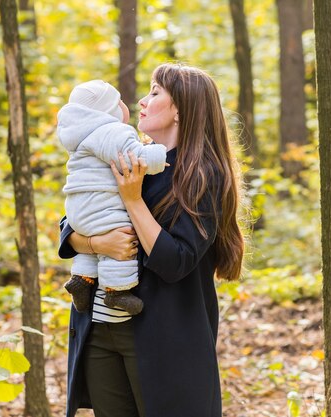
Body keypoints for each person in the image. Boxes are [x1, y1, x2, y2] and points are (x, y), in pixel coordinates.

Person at [58, 63, 245, 417]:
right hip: (99, 327)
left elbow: (176, 261)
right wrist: (99, 245)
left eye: (156, 92)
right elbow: (71, 225)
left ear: (180, 109)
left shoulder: (202, 175)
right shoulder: (128, 156)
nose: (142, 101)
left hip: (163, 337)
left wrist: (132, 199)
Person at [58, 80, 168, 315]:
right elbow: (134, 157)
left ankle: (82, 279)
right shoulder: (111, 131)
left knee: (94, 234)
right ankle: (117, 291)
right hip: (103, 208)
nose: (136, 102)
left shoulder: (79, 136)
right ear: (109, 111)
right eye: (118, 102)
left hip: (77, 209)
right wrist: (160, 155)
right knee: (122, 232)